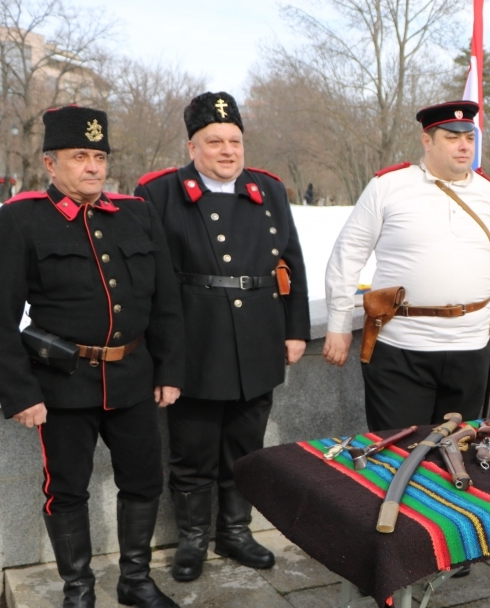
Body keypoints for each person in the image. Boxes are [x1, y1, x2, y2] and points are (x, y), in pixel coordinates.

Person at [0, 105, 184, 608]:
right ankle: (79, 590)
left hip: (133, 377)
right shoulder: (20, 220)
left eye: (98, 156)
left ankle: (135, 581)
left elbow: (166, 301)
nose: (92, 166)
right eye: (79, 156)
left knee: (143, 480)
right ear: (51, 164)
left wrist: (170, 370)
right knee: (66, 490)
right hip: (61, 385)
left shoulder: (135, 213)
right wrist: (21, 393)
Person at [134, 91, 311, 582]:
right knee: (191, 451)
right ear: (192, 147)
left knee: (246, 447)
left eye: (235, 140)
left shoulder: (268, 189)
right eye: (214, 142)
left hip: (258, 336)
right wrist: (164, 357)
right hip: (195, 339)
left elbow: (289, 262)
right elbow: (152, 283)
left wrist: (296, 329)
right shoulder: (159, 193)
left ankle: (235, 531)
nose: (228, 150)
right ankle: (191, 541)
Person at [323, 100, 490, 431]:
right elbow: (348, 254)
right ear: (427, 140)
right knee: (398, 457)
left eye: (469, 137)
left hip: (471, 349)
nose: (464, 145)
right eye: (452, 137)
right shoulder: (388, 186)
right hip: (402, 349)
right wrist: (337, 324)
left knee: (458, 457)